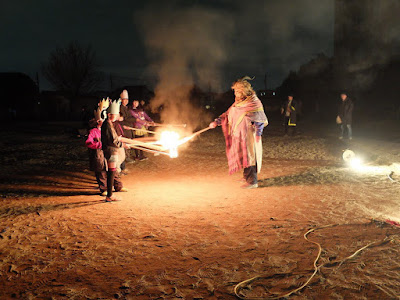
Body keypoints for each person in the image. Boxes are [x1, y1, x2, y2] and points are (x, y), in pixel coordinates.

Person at [209, 76, 268, 189]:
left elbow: (260, 119)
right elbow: (228, 114)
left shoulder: (253, 102)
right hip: (239, 135)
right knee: (243, 156)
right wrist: (217, 122)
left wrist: (258, 134)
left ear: (244, 91)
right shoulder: (238, 103)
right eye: (235, 90)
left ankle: (252, 182)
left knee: (249, 156)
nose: (235, 93)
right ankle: (247, 177)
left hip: (249, 136)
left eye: (237, 91)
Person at [101, 99, 126, 202]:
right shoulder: (107, 124)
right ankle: (109, 196)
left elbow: (113, 138)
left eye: (116, 114)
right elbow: (112, 140)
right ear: (109, 114)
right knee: (111, 172)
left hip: (111, 150)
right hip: (111, 151)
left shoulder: (109, 123)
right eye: (113, 114)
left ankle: (109, 195)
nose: (115, 116)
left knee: (112, 171)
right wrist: (122, 144)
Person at [118, 89, 136, 164]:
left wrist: (127, 119)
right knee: (125, 142)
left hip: (129, 128)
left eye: (126, 99)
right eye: (124, 99)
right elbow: (120, 119)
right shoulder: (120, 108)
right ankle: (126, 157)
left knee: (129, 142)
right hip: (124, 129)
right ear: (121, 100)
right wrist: (125, 121)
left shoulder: (127, 108)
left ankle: (127, 156)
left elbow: (132, 118)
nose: (125, 101)